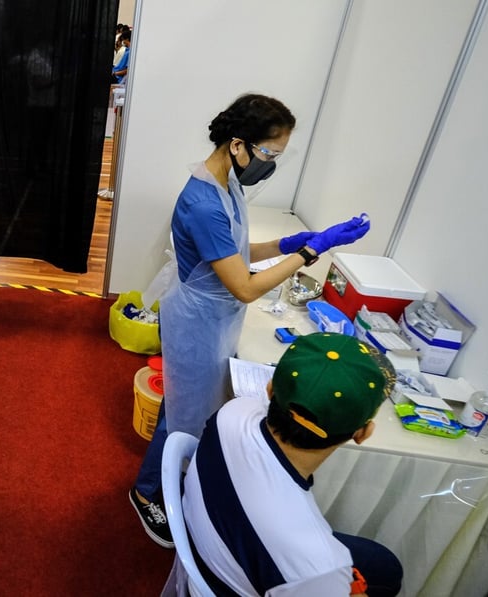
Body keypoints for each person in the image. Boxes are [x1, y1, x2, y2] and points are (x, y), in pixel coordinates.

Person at [129, 93, 371, 547]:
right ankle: (146, 494)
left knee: (187, 406)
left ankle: (172, 479)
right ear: (238, 145)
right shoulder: (202, 200)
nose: (272, 163)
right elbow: (244, 285)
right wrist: (310, 251)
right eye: (269, 153)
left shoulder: (227, 184)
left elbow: (236, 254)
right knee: (182, 416)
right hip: (199, 319)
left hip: (216, 315)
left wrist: (286, 243)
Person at [179, 333, 403, 596]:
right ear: (363, 433)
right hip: (241, 574)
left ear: (270, 388)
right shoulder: (319, 566)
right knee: (386, 571)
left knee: (384, 564)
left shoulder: (233, 412)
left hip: (212, 546)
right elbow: (316, 571)